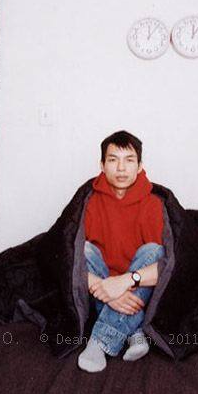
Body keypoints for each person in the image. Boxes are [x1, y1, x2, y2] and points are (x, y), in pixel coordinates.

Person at [77, 130, 165, 373]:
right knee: (83, 249)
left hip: (137, 287)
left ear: (139, 166)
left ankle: (99, 342)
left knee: (154, 250)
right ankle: (134, 330)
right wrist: (106, 290)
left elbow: (167, 266)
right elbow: (68, 260)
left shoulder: (154, 204)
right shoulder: (89, 202)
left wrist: (126, 281)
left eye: (129, 160)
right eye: (113, 159)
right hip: (102, 286)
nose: (122, 168)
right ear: (102, 165)